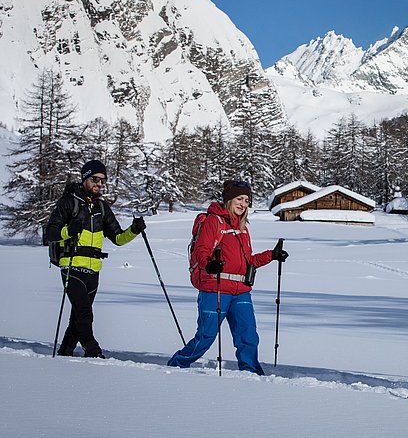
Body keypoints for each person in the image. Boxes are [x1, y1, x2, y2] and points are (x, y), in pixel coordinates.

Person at [168, 180, 288, 374]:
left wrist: (271, 255)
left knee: (248, 336)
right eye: (239, 199)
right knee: (206, 336)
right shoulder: (213, 221)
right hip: (215, 288)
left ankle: (250, 373)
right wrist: (209, 264)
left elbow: (248, 261)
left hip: (240, 290)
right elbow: (202, 250)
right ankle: (177, 365)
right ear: (228, 199)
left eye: (247, 200)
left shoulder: (242, 228)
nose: (243, 204)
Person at [46, 159, 146, 358]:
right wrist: (69, 230)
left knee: (78, 316)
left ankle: (66, 351)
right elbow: (51, 232)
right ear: (85, 179)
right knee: (84, 312)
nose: (99, 184)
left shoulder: (101, 207)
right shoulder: (69, 201)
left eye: (102, 181)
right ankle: (93, 351)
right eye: (95, 179)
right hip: (72, 264)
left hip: (93, 269)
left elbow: (117, 238)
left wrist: (134, 230)